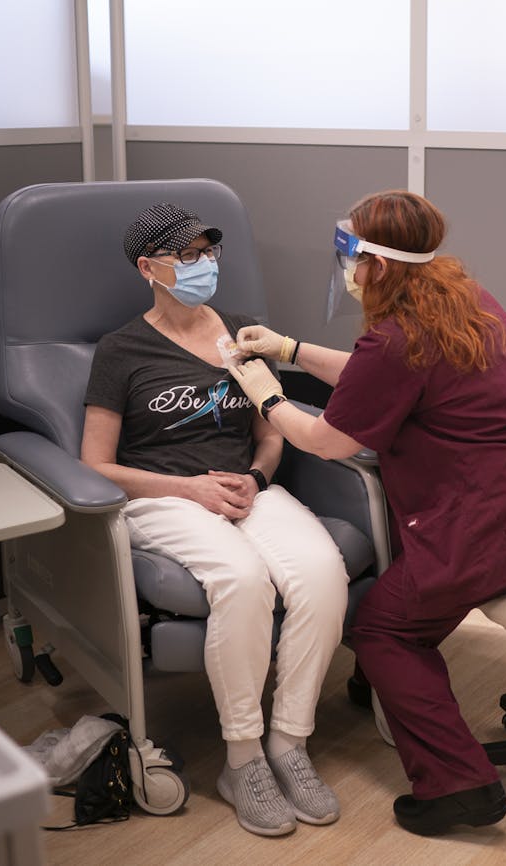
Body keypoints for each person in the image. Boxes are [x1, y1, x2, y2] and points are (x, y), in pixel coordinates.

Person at [226, 190, 506, 836]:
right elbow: (381, 376)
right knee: (410, 599)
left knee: (383, 627)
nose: (345, 266)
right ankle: (394, 689)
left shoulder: (399, 339)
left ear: (379, 264)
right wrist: (292, 350)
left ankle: (458, 787)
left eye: (350, 253)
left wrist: (267, 397)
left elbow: (327, 440)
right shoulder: (462, 300)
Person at [81, 202, 349, 838]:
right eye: (188, 254)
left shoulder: (243, 333)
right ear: (149, 268)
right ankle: (244, 758)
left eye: (209, 251)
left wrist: (256, 479)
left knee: (320, 573)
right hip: (163, 497)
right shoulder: (121, 350)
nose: (204, 264)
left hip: (245, 488)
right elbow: (96, 464)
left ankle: (288, 742)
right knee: (242, 578)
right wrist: (189, 489)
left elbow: (272, 430)